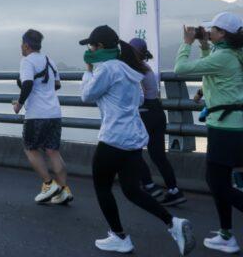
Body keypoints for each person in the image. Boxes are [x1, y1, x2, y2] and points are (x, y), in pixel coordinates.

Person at [80, 25, 194, 255]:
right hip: (133, 137)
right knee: (132, 190)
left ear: (100, 47)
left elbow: (86, 95)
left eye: (91, 45)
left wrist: (89, 70)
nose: (89, 49)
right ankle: (173, 223)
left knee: (102, 187)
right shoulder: (128, 69)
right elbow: (141, 97)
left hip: (113, 138)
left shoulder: (107, 69)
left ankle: (119, 237)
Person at [175, 13, 243, 254]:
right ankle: (226, 235)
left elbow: (181, 69)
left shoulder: (224, 56)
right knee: (220, 181)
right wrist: (204, 46)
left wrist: (187, 42)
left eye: (212, 30)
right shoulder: (231, 53)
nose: (208, 32)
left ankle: (227, 236)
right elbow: (211, 72)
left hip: (225, 129)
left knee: (216, 182)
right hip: (233, 126)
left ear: (223, 33)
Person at [13, 29, 72, 205]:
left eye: (21, 44)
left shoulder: (27, 61)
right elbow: (58, 85)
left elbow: (28, 83)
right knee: (53, 151)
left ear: (26, 45)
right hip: (54, 112)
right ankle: (64, 190)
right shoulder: (49, 60)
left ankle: (48, 184)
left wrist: (18, 104)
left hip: (36, 115)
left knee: (30, 149)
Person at [127, 38, 186, 206]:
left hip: (145, 113)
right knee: (158, 155)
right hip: (158, 112)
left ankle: (149, 185)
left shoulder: (135, 69)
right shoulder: (146, 67)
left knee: (132, 150)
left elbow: (135, 94)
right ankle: (174, 190)